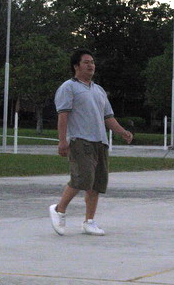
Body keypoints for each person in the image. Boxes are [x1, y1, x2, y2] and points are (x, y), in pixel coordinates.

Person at [49, 49, 133, 236]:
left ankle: (89, 221)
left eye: (92, 62)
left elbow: (108, 117)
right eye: (86, 62)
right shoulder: (68, 87)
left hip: (99, 141)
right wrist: (62, 141)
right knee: (82, 179)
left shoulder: (98, 90)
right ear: (76, 66)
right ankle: (59, 210)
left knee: (96, 183)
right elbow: (63, 116)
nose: (91, 65)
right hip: (80, 140)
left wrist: (122, 132)